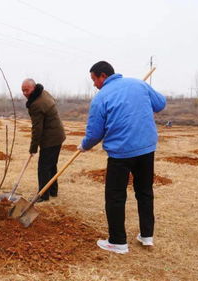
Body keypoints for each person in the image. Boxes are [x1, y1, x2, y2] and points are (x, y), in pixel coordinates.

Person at [77, 61, 166, 254]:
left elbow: (94, 133)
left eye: (94, 79)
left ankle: (118, 242)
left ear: (102, 76)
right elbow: (161, 103)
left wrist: (84, 145)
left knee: (115, 196)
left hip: (121, 153)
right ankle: (147, 236)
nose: (94, 84)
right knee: (144, 192)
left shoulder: (101, 98)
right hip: (146, 148)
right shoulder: (138, 84)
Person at [21, 78, 66, 202]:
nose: (25, 93)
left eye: (27, 90)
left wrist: (33, 148)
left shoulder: (36, 104)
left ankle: (43, 195)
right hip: (58, 135)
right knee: (51, 165)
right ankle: (53, 191)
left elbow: (37, 129)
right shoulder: (43, 93)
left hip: (51, 138)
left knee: (44, 167)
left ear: (34, 88)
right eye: (23, 90)